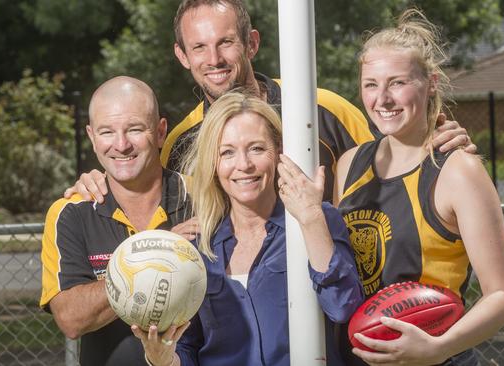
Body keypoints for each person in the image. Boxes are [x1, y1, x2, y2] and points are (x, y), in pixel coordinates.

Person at [64, 0, 475, 204]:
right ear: (182, 56)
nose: (214, 60)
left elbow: (401, 153)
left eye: (226, 42)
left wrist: (440, 140)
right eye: (199, 47)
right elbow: (141, 194)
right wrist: (98, 182)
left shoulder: (322, 109)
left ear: (252, 43)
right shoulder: (181, 142)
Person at [333, 9, 504, 366]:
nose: (382, 98)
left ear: (431, 82)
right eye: (371, 84)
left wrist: (440, 348)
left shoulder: (458, 170)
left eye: (397, 82)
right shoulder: (349, 165)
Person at [130, 92, 364, 366]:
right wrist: (163, 360)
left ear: (278, 151)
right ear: (213, 163)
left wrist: (311, 219)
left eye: (256, 148)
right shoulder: (197, 247)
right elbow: (187, 347)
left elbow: (343, 307)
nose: (244, 165)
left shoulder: (315, 218)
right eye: (227, 152)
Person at [39, 76, 195, 365]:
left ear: (161, 132)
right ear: (91, 137)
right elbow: (71, 319)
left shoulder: (201, 199)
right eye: (107, 132)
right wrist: (155, 255)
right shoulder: (70, 213)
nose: (121, 145)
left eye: (134, 129)